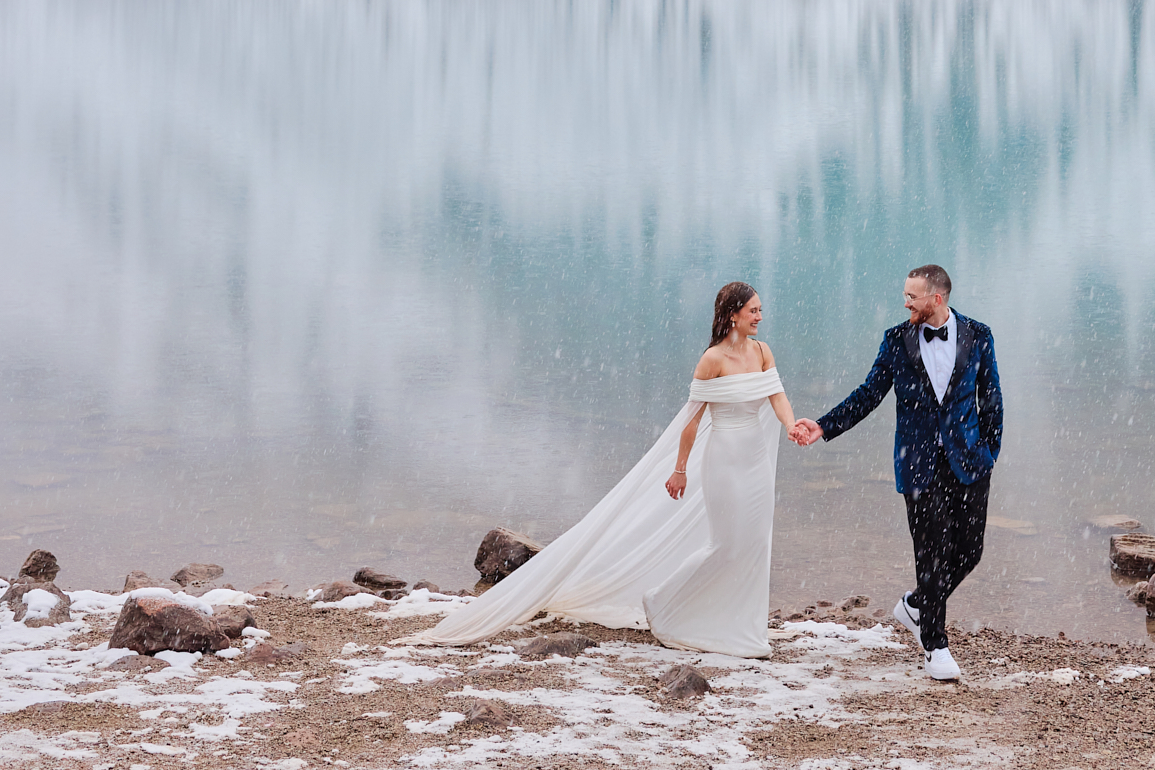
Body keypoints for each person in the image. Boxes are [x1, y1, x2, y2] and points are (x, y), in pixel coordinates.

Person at [419, 280, 800, 658]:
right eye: (753, 311)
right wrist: (680, 469)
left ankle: (741, 625)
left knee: (754, 543)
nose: (760, 317)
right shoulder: (712, 360)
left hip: (756, 464)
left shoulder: (762, 352)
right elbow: (691, 422)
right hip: (724, 463)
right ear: (733, 315)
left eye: (760, 310)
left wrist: (790, 424)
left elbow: (776, 394)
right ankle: (664, 601)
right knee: (726, 545)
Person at [792, 262, 1001, 683]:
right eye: (905, 296)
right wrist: (824, 425)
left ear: (936, 298)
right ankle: (935, 645)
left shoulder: (978, 335)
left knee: (970, 551)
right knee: (932, 552)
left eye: (912, 296)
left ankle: (917, 604)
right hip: (919, 464)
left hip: (969, 461)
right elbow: (869, 393)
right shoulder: (896, 341)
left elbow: (991, 397)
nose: (905, 303)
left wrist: (989, 451)